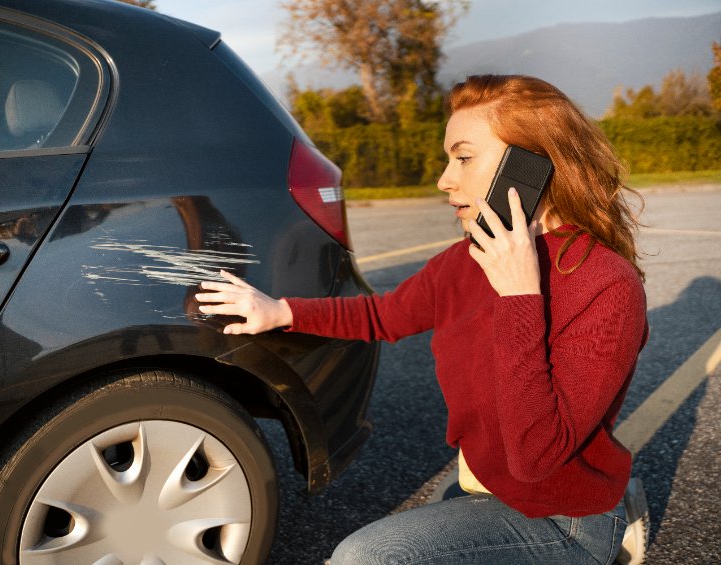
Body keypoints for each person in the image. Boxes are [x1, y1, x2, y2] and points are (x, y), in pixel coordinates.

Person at [196, 74, 649, 564]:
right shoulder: (465, 260)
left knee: (366, 557)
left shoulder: (606, 283)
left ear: (531, 164)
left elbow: (537, 456)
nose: (444, 179)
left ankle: (609, 532)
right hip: (482, 490)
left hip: (560, 517)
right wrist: (279, 311)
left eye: (464, 157)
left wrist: (520, 294)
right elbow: (384, 315)